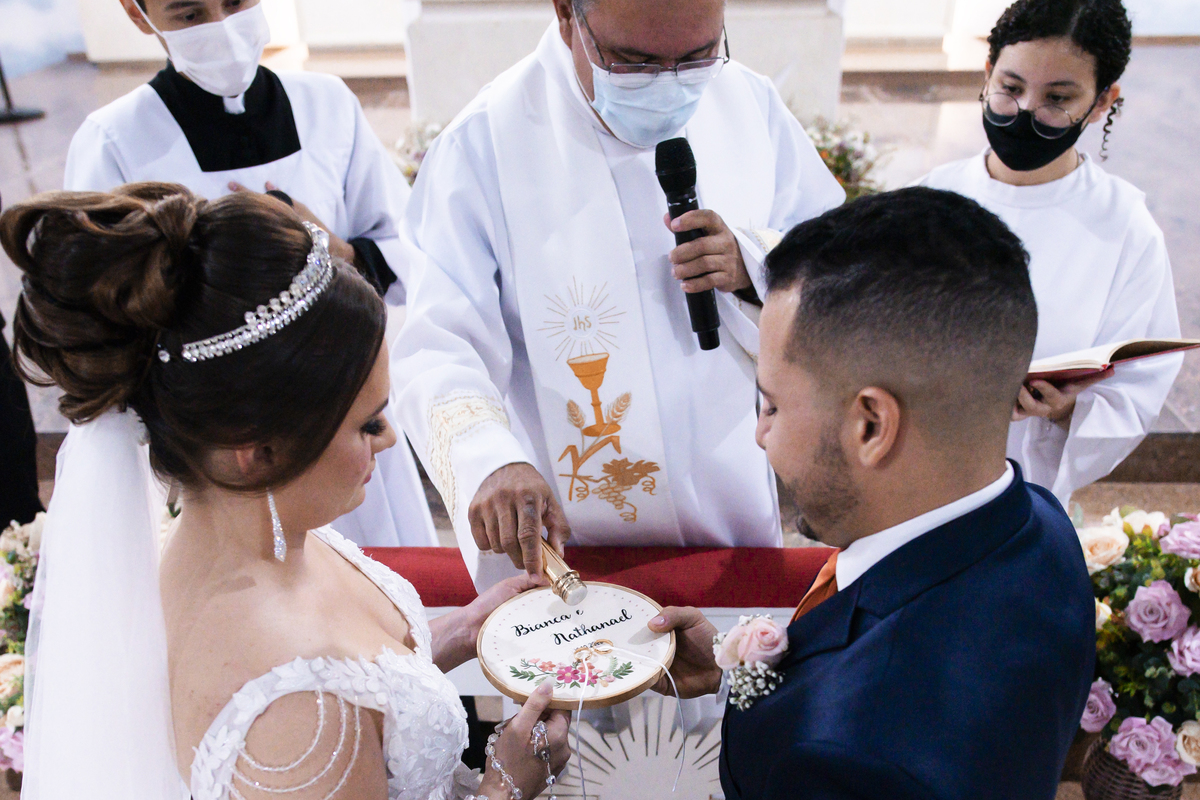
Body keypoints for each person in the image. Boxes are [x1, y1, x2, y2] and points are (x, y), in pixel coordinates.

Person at [2, 184, 570, 798]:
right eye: (367, 423)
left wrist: (461, 632)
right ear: (257, 452)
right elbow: (322, 692)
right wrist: (507, 784)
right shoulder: (299, 715)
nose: (387, 440)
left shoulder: (258, 538)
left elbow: (363, 687)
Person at [648, 188, 1095, 799]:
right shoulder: (1036, 522)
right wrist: (740, 672)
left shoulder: (850, 760)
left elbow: (867, 711)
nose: (760, 436)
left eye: (772, 404)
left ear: (871, 427)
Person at [393, 0, 845, 586]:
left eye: (698, 56)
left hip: (733, 516)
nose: (670, 85)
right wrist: (488, 459)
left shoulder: (748, 106)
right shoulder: (485, 145)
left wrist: (753, 264)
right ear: (565, 14)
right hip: (573, 546)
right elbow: (437, 341)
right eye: (633, 63)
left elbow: (836, 257)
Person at [62, 0, 434, 547]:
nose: (222, 27)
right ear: (138, 15)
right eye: (190, 15)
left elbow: (412, 243)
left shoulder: (326, 103)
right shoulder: (114, 140)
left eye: (235, 3)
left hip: (347, 407)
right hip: (227, 443)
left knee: (386, 581)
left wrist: (339, 254)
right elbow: (100, 314)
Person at [918, 0, 1181, 510]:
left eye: (1057, 100)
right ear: (988, 71)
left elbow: (1136, 391)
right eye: (1011, 89)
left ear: (1103, 101)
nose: (1025, 114)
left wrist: (1066, 410)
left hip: (1024, 496)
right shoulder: (926, 201)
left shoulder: (1124, 229)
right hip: (909, 480)